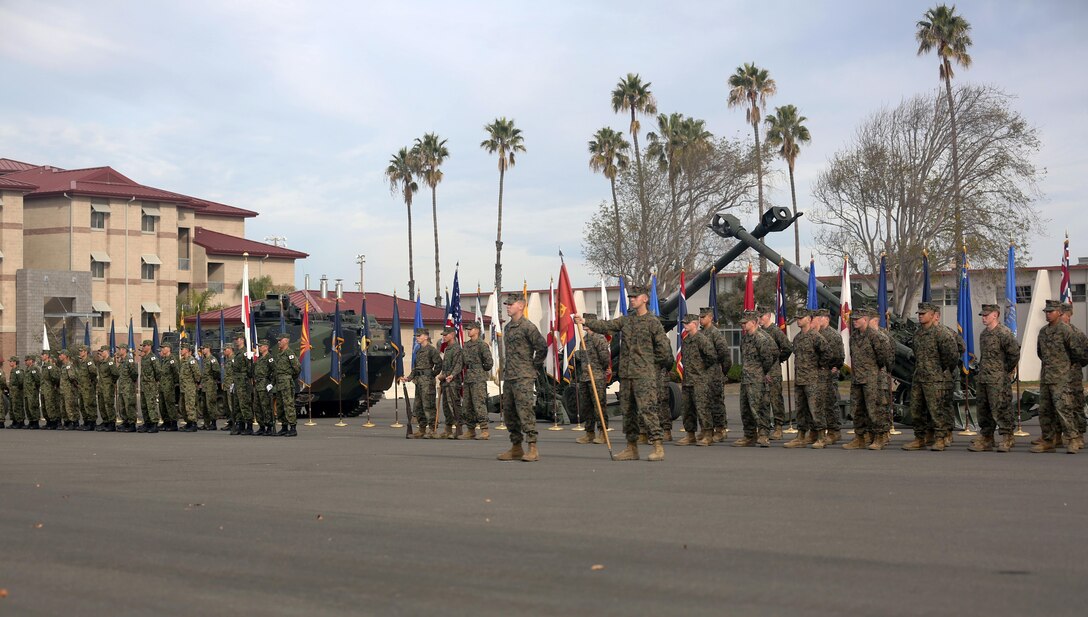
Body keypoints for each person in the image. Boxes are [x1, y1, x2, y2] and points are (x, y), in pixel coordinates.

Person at [578, 284, 673, 462]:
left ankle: (658, 446)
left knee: (648, 411)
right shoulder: (627, 320)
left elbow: (665, 351)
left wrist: (649, 365)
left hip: (644, 376)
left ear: (645, 299)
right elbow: (606, 325)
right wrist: (585, 322)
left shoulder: (653, 322)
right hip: (627, 375)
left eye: (635, 297)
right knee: (628, 412)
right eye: (630, 297)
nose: (632, 300)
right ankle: (631, 448)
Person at [496, 293, 548, 462]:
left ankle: (532, 447)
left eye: (511, 304)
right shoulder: (508, 327)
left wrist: (533, 366)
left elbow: (542, 347)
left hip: (524, 377)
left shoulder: (528, 327)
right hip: (510, 376)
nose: (508, 307)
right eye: (507, 304)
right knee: (510, 413)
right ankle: (516, 447)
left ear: (521, 305)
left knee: (525, 411)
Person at [902, 302, 960, 451]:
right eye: (919, 313)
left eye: (923, 313)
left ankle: (940, 438)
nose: (920, 315)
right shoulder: (918, 334)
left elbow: (952, 356)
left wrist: (941, 371)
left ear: (934, 315)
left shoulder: (942, 333)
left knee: (937, 410)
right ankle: (920, 438)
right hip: (919, 377)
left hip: (936, 379)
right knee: (916, 409)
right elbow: (917, 353)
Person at [1032, 299, 1086, 453]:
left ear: (1060, 313)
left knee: (1064, 410)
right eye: (1046, 312)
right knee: (1045, 411)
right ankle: (1048, 440)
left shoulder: (1066, 331)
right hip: (1046, 377)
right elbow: (1040, 353)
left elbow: (1078, 353)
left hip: (1062, 378)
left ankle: (1073, 439)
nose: (1047, 314)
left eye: (1051, 312)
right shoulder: (1043, 331)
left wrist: (1065, 368)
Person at [968, 304, 1021, 452]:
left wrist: (1004, 371)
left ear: (995, 315)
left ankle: (1007, 437)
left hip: (998, 379)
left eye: (986, 315)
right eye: (982, 315)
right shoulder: (984, 334)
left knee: (1001, 408)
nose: (983, 318)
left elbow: (1014, 354)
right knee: (983, 409)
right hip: (984, 377)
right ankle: (987, 437)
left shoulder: (1004, 333)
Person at [843, 308, 892, 449]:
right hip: (857, 378)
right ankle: (860, 437)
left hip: (872, 379)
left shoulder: (876, 336)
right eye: (853, 319)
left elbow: (883, 358)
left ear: (866, 319)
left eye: (857, 319)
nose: (854, 321)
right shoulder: (854, 337)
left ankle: (879, 437)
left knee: (875, 410)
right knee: (857, 409)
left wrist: (873, 371)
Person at [783, 309, 828, 448]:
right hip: (800, 379)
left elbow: (827, 354)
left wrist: (818, 367)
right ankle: (801, 436)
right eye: (797, 318)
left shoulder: (816, 337)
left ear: (809, 319)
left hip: (813, 379)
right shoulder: (797, 338)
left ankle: (821, 437)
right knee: (801, 409)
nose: (798, 320)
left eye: (801, 318)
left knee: (816, 409)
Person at [733, 311, 778, 447]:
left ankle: (763, 435)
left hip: (757, 379)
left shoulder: (761, 338)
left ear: (753, 322)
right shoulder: (745, 339)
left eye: (745, 323)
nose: (743, 325)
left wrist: (763, 372)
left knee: (759, 407)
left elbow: (770, 357)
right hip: (746, 378)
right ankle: (749, 435)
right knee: (745, 408)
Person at [675, 313, 718, 446]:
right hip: (688, 379)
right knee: (687, 409)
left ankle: (708, 434)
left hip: (699, 380)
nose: (684, 325)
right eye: (684, 323)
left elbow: (712, 356)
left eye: (687, 323)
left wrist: (702, 368)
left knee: (702, 408)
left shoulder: (701, 339)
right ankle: (690, 434)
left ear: (694, 324)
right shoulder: (686, 340)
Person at [573, 314, 611, 445]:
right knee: (586, 407)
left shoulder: (599, 338)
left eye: (586, 321)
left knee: (599, 406)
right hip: (585, 377)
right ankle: (589, 432)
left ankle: (603, 432)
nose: (583, 324)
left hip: (597, 377)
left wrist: (603, 369)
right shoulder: (584, 339)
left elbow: (605, 357)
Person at [758, 308, 793, 439]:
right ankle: (764, 428)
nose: (760, 319)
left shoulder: (775, 331)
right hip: (761, 372)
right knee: (763, 401)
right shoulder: (759, 331)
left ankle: (778, 427)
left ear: (768, 316)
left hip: (773, 372)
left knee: (775, 400)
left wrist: (778, 359)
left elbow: (788, 347)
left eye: (762, 316)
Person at [699, 307, 733, 442]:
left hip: (715, 374)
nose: (701, 319)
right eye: (700, 317)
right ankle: (707, 429)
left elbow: (725, 355)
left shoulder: (715, 333)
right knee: (704, 403)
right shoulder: (700, 333)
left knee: (717, 402)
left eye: (703, 317)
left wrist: (722, 372)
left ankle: (720, 429)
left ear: (710, 318)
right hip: (703, 374)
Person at [401, 329, 441, 439]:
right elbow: (416, 368)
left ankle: (432, 429)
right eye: (416, 336)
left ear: (426, 337)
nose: (417, 337)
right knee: (418, 406)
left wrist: (431, 374)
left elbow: (438, 364)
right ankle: (422, 429)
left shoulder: (432, 350)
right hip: (418, 381)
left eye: (419, 335)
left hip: (427, 382)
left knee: (428, 406)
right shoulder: (418, 351)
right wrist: (409, 378)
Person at [814, 308, 845, 446]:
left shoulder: (833, 335)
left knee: (830, 403)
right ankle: (820, 430)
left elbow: (839, 355)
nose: (817, 320)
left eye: (819, 317)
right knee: (819, 404)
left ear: (826, 319)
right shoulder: (816, 334)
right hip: (817, 375)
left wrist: (835, 367)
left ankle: (834, 431)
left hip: (829, 374)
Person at [460, 321, 493, 440]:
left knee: (479, 403)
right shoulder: (466, 345)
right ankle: (470, 430)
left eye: (471, 329)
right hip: (468, 377)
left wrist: (480, 370)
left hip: (478, 378)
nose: (468, 331)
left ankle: (484, 429)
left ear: (477, 330)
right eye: (468, 329)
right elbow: (462, 362)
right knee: (467, 405)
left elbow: (489, 362)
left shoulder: (482, 345)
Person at [1060, 303, 1088, 438]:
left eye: (1062, 315)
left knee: (1076, 405)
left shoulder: (1077, 334)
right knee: (1059, 406)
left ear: (1068, 316)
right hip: (1057, 376)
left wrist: (1073, 366)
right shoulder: (1053, 332)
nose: (1059, 317)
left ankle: (1079, 434)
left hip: (1073, 376)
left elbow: (1084, 355)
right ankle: (1057, 435)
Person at [436, 326, 464, 439]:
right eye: (443, 335)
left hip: (452, 381)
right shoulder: (447, 349)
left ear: (452, 335)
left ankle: (458, 428)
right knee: (446, 405)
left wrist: (450, 375)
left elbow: (458, 365)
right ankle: (448, 429)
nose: (444, 337)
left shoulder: (457, 349)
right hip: (445, 380)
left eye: (446, 335)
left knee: (453, 404)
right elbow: (445, 365)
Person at [272, 332, 301, 436]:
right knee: (280, 406)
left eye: (280, 340)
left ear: (286, 340)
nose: (278, 342)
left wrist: (289, 378)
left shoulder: (290, 354)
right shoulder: (279, 354)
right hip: (279, 383)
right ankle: (284, 427)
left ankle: (293, 428)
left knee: (288, 405)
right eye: (278, 340)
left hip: (286, 382)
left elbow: (297, 368)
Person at [229, 337, 254, 435]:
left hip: (243, 381)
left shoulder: (245, 352)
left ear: (243, 340)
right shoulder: (237, 353)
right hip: (237, 381)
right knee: (237, 404)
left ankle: (249, 426)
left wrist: (247, 379)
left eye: (238, 339)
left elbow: (249, 368)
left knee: (245, 404)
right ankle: (241, 425)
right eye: (235, 339)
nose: (236, 341)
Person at [136, 340, 160, 433]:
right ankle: (147, 423)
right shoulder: (144, 357)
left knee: (151, 405)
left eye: (144, 345)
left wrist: (154, 381)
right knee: (144, 405)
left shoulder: (153, 358)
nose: (143, 347)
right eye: (142, 345)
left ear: (149, 346)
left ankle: (154, 424)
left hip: (150, 385)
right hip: (143, 385)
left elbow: (158, 371)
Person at [252, 339, 275, 436]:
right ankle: (261, 426)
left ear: (266, 347)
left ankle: (269, 426)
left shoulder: (270, 358)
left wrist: (271, 383)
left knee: (266, 407)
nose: (259, 348)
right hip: (258, 385)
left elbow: (274, 371)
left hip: (265, 384)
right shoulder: (260, 359)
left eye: (261, 346)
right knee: (257, 406)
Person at [74, 345, 99, 431]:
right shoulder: (81, 362)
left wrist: (90, 382)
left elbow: (94, 372)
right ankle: (86, 421)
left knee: (89, 404)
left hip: (88, 387)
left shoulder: (89, 362)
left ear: (86, 352)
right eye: (80, 351)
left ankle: (91, 423)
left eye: (81, 351)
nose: (80, 352)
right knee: (82, 405)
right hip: (81, 387)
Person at [177, 343, 201, 432]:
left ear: (187, 350)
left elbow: (197, 374)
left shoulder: (191, 360)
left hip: (189, 387)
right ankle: (188, 423)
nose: (181, 350)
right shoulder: (182, 361)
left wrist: (195, 384)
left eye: (182, 349)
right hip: (183, 387)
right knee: (182, 407)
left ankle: (193, 423)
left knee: (190, 406)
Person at [115, 345, 139, 432]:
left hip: (128, 388)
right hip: (122, 387)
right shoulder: (122, 361)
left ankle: (132, 424)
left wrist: (131, 383)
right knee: (122, 406)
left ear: (124, 350)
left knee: (129, 405)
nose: (119, 351)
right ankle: (125, 422)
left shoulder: (129, 360)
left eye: (120, 349)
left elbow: (134, 373)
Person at [94, 346, 118, 432]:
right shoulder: (101, 362)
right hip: (101, 387)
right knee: (102, 405)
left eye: (102, 351)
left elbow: (115, 374)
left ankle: (111, 423)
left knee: (109, 405)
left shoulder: (110, 362)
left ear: (107, 351)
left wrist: (111, 383)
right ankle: (105, 421)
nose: (100, 353)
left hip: (108, 387)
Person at [157, 343, 180, 431]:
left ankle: (173, 424)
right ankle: (166, 422)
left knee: (170, 404)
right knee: (162, 405)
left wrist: (173, 383)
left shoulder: (172, 359)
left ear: (168, 349)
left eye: (163, 348)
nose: (162, 349)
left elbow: (176, 373)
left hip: (169, 386)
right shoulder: (164, 359)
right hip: (162, 386)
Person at [199, 343, 221, 430]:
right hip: (204, 385)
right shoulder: (205, 359)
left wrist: (212, 380)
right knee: (204, 405)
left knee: (211, 404)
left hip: (210, 385)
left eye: (204, 348)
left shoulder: (212, 359)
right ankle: (206, 423)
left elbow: (217, 372)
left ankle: (213, 423)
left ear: (208, 348)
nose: (203, 350)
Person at [58, 349, 81, 430]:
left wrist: (75, 387)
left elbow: (73, 377)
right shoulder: (63, 366)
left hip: (69, 390)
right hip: (63, 390)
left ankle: (74, 422)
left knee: (70, 407)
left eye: (61, 354)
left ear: (65, 356)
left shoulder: (69, 365)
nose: (59, 356)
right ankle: (67, 422)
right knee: (63, 407)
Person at [39, 351, 61, 430]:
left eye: (43, 355)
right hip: (44, 389)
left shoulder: (50, 366)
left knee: (50, 406)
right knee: (44, 407)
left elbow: (55, 378)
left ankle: (53, 422)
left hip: (49, 389)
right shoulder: (44, 366)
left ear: (47, 356)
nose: (41, 356)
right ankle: (48, 422)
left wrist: (53, 386)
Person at [23, 355, 42, 429]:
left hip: (32, 391)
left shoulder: (34, 368)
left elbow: (37, 380)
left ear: (31, 360)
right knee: (28, 407)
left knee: (33, 406)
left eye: (27, 360)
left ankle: (35, 422)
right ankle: (31, 421)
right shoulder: (27, 369)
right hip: (27, 392)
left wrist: (34, 388)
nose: (25, 362)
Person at [7, 356, 25, 428]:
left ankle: (20, 422)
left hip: (17, 391)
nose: (10, 363)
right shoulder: (13, 370)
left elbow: (21, 381)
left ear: (14, 362)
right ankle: (14, 421)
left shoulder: (18, 370)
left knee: (17, 406)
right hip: (12, 391)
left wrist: (18, 389)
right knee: (12, 407)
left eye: (11, 361)